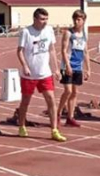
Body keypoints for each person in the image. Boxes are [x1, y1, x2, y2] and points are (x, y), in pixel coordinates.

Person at [16, 8, 66, 142]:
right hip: (29, 75)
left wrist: (56, 69)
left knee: (51, 100)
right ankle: (21, 125)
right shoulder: (26, 32)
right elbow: (19, 51)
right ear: (35, 19)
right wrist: (25, 66)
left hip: (45, 73)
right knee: (25, 102)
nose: (45, 22)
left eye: (46, 19)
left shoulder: (49, 30)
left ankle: (54, 130)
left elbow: (51, 50)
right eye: (42, 19)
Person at [57, 10, 91, 127]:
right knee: (68, 91)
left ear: (83, 21)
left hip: (78, 67)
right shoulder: (68, 33)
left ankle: (70, 117)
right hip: (68, 66)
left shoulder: (84, 34)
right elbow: (63, 50)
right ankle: (58, 114)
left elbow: (86, 52)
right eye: (75, 19)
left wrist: (88, 69)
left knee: (75, 92)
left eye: (79, 19)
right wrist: (68, 66)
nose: (76, 22)